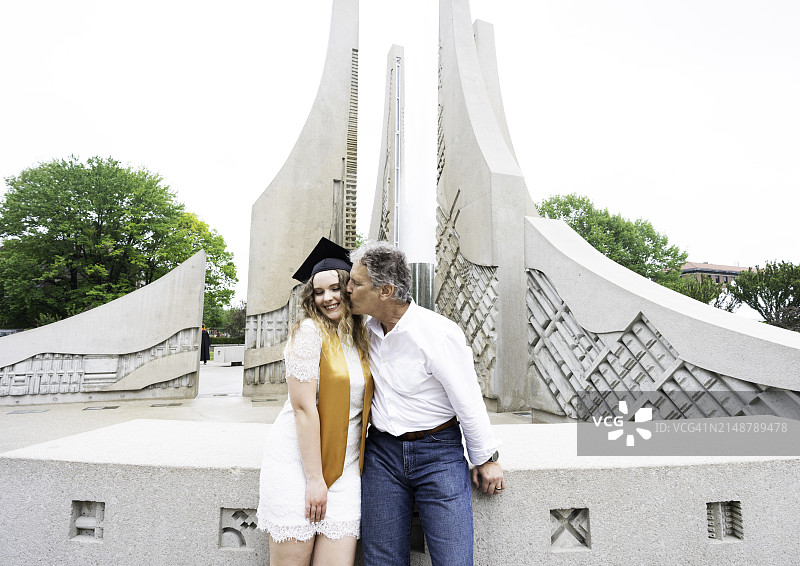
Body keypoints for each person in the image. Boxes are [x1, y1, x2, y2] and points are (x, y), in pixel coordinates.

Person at [347, 241, 504, 566]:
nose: (347, 288)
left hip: (439, 454)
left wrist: (485, 458)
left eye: (356, 283)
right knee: (382, 561)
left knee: (453, 560)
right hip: (381, 457)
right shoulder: (364, 331)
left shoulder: (438, 333)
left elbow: (468, 400)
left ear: (385, 290)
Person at [257, 237, 373, 566]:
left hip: (346, 468)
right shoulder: (309, 333)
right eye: (319, 291)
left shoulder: (360, 336)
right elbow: (303, 408)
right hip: (299, 468)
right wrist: (314, 480)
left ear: (349, 288)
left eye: (335, 288)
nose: (327, 298)